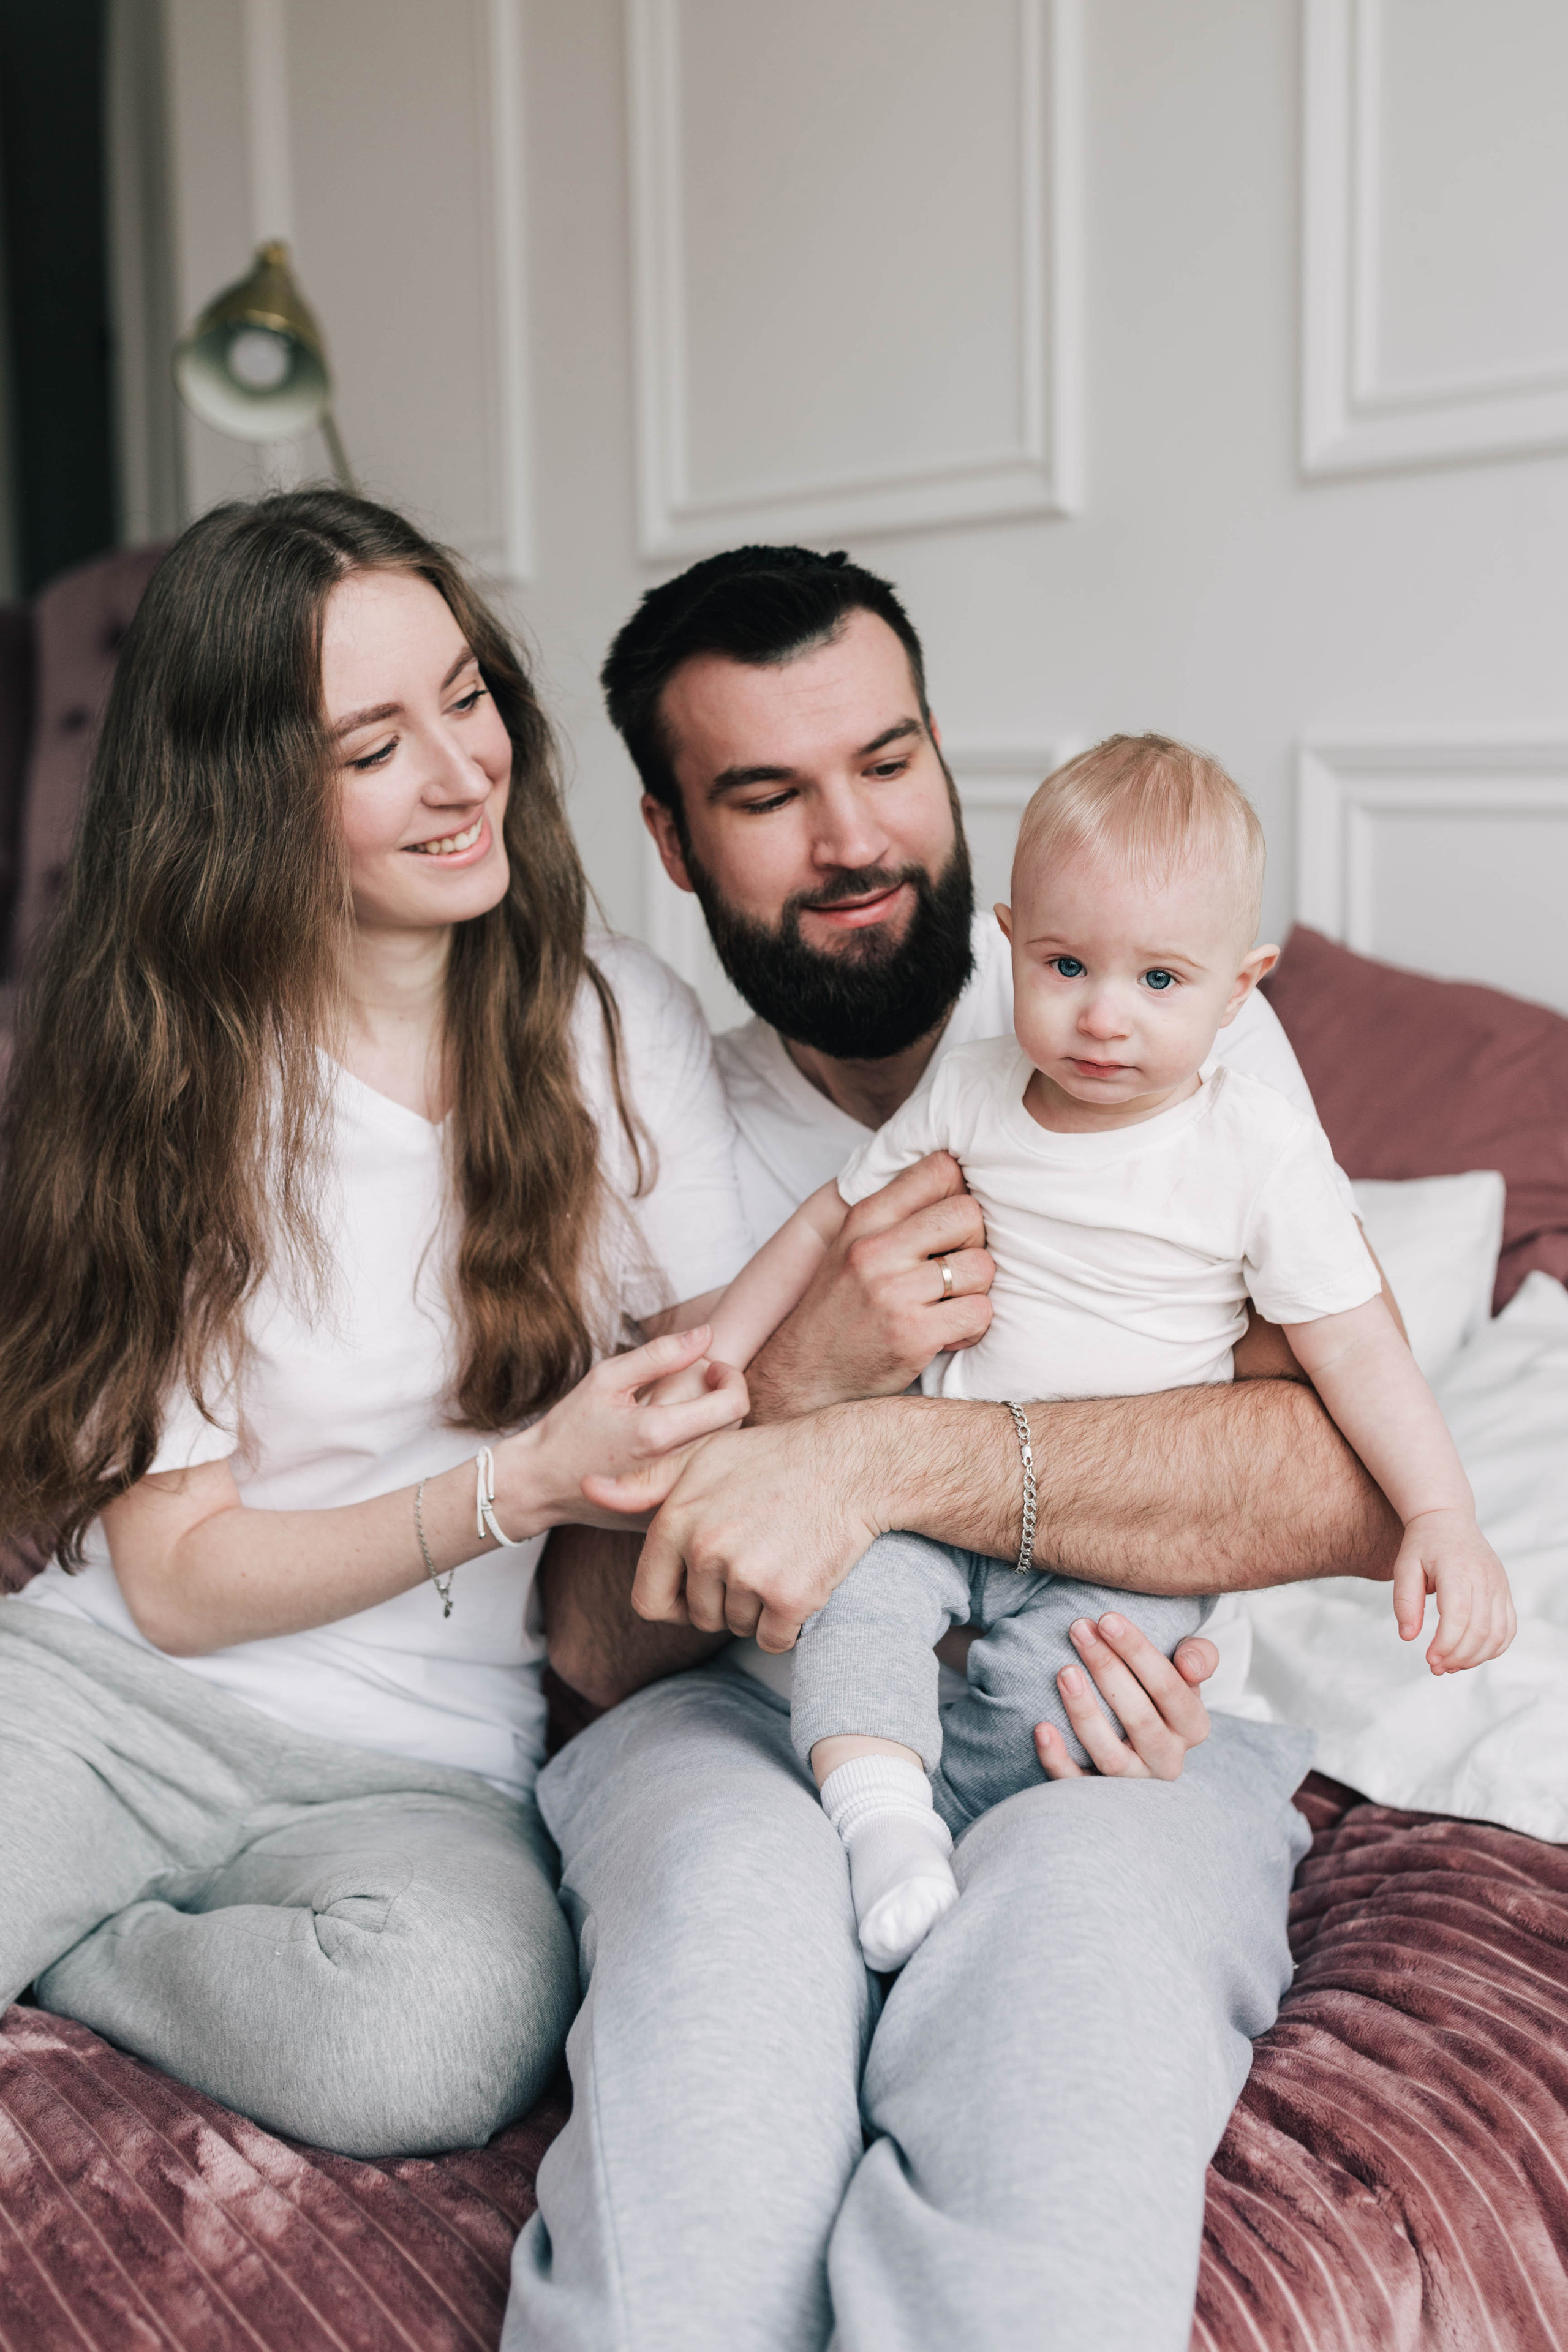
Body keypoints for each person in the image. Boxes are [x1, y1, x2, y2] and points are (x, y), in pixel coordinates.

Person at [512, 550, 1406, 2350]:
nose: (855, 838)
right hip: (738, 1731)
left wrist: (886, 1463)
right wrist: (803, 1375)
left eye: (888, 760)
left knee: (1050, 2170)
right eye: (766, 794)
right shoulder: (637, 1110)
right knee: (704, 2139)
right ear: (671, 840)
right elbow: (590, 1642)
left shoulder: (1175, 1025)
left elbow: (1346, 1485)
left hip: (1108, 1728)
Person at [0, 489, 758, 2160]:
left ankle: (86, 1951)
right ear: (248, 799)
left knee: (438, 2042)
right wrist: (519, 1487)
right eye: (372, 747)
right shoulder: (174, 1079)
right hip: (113, 1702)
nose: (461, 772)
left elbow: (732, 1364)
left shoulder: (615, 1025)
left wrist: (850, 1255)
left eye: (466, 698)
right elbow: (178, 1586)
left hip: (420, 1765)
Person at [656, 731, 1512, 1971]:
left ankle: (956, 1838)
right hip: (928, 1510)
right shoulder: (972, 1090)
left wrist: (1441, 1516)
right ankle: (880, 1818)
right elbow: (823, 1223)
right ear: (1008, 943)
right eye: (1064, 965)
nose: (1104, 1016)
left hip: (1119, 1543)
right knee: (853, 1605)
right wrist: (724, 1359)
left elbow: (1360, 1349)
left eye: (1159, 980)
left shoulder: (1258, 1150)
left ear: (1240, 988)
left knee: (1070, 1695)